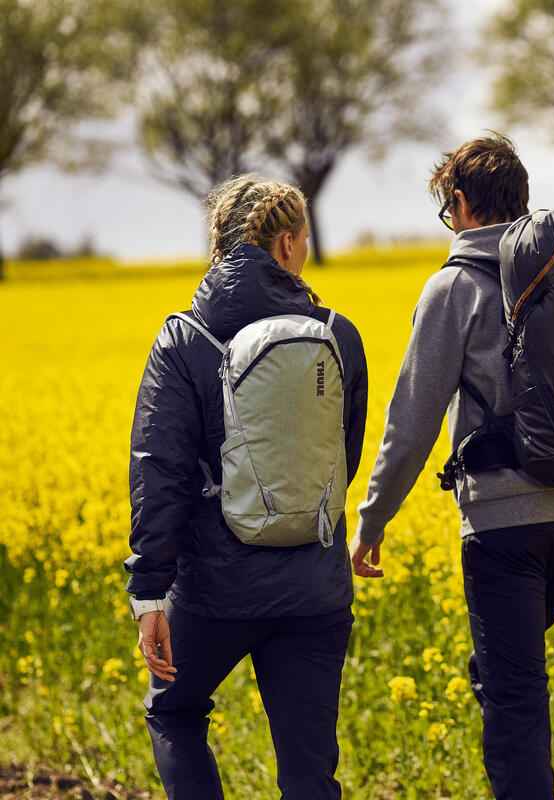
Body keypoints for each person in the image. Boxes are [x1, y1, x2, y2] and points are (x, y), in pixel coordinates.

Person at [350, 134, 554, 800]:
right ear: (520, 201)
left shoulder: (453, 287)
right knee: (499, 673)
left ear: (459, 204)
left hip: (504, 531)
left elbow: (411, 424)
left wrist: (371, 520)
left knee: (515, 701)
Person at [124, 175, 368, 800]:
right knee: (310, 773)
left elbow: (161, 472)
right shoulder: (338, 334)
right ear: (286, 245)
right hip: (315, 590)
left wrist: (150, 594)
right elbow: (342, 457)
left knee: (174, 711)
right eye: (306, 238)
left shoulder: (184, 338)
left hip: (216, 593)